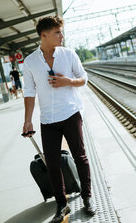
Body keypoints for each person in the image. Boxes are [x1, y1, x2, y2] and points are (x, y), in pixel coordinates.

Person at [22, 15, 96, 223]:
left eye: (61, 32)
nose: (61, 36)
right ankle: (61, 204)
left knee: (80, 157)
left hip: (71, 113)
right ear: (44, 35)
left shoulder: (69, 54)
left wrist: (68, 81)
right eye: (57, 32)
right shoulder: (30, 62)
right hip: (48, 121)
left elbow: (83, 79)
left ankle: (87, 197)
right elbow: (29, 91)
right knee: (52, 164)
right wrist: (27, 120)